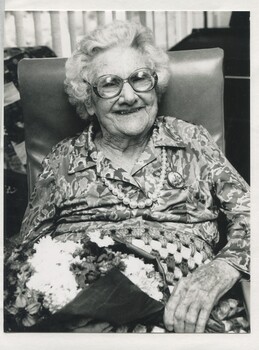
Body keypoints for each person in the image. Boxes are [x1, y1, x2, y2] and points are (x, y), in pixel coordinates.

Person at [19, 20, 250, 333]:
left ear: (155, 84)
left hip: (188, 321)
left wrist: (223, 269)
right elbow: (27, 257)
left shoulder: (191, 140)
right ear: (89, 98)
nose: (128, 96)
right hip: (85, 325)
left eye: (140, 78)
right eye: (110, 84)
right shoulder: (63, 159)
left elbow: (251, 215)